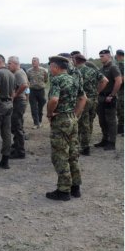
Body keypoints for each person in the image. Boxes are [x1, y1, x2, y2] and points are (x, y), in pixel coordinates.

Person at [45, 56, 87, 201]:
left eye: (51, 66)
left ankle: (63, 191)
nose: (50, 69)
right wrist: (75, 114)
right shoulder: (74, 79)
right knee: (73, 153)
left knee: (60, 154)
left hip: (61, 120)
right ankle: (76, 187)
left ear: (56, 67)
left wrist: (50, 113)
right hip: (72, 119)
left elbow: (54, 99)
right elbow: (83, 98)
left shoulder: (57, 79)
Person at [73, 54, 108, 155]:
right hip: (94, 99)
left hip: (83, 100)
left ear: (76, 61)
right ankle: (86, 143)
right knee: (90, 121)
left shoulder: (76, 71)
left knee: (83, 123)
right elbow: (105, 81)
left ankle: (85, 147)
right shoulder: (93, 70)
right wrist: (97, 92)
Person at [95, 49, 122, 150]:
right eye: (100, 56)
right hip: (101, 97)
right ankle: (105, 139)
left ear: (108, 56)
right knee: (102, 120)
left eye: (102, 56)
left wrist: (112, 95)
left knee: (111, 120)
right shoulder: (101, 68)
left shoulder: (113, 67)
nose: (100, 58)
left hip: (109, 97)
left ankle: (112, 142)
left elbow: (118, 81)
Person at [7, 56, 29, 159]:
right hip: (18, 101)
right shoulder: (16, 73)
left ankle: (20, 151)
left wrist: (15, 94)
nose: (8, 65)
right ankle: (16, 146)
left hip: (19, 101)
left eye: (9, 63)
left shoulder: (19, 73)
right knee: (15, 125)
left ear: (15, 64)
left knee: (17, 126)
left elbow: (24, 85)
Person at [26, 57, 48, 129]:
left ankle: (40, 121)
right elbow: (28, 80)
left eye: (35, 61)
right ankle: (36, 123)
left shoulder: (44, 70)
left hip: (41, 90)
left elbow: (46, 79)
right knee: (33, 107)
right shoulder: (29, 71)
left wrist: (41, 84)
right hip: (32, 91)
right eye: (32, 61)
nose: (33, 63)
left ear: (38, 62)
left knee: (40, 107)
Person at [115, 49, 124, 134]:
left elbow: (123, 79)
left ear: (118, 55)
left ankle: (121, 128)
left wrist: (115, 80)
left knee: (121, 110)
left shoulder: (121, 64)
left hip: (122, 91)